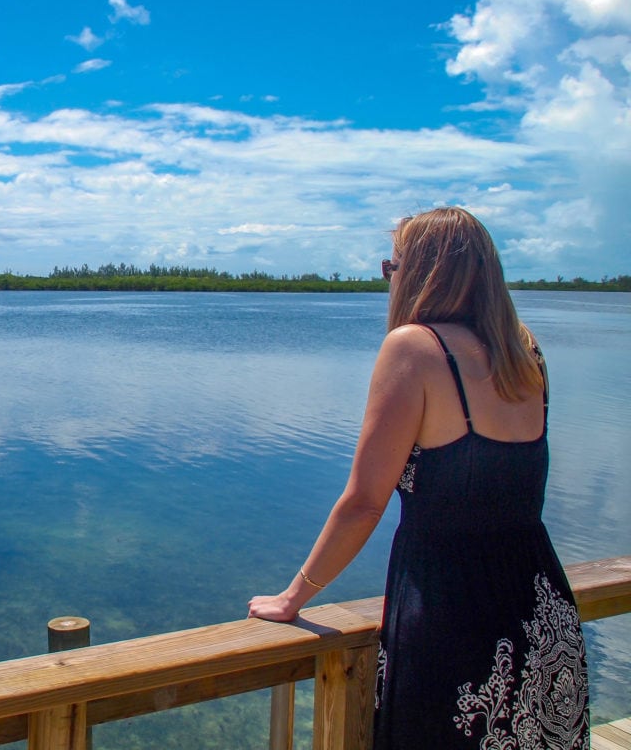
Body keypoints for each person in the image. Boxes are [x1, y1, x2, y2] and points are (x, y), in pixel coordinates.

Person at [247, 207, 589, 748]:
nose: (392, 276)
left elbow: (364, 501)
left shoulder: (414, 349)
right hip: (543, 613)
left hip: (451, 618)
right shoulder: (526, 351)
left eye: (394, 264)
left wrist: (294, 598)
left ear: (426, 271)